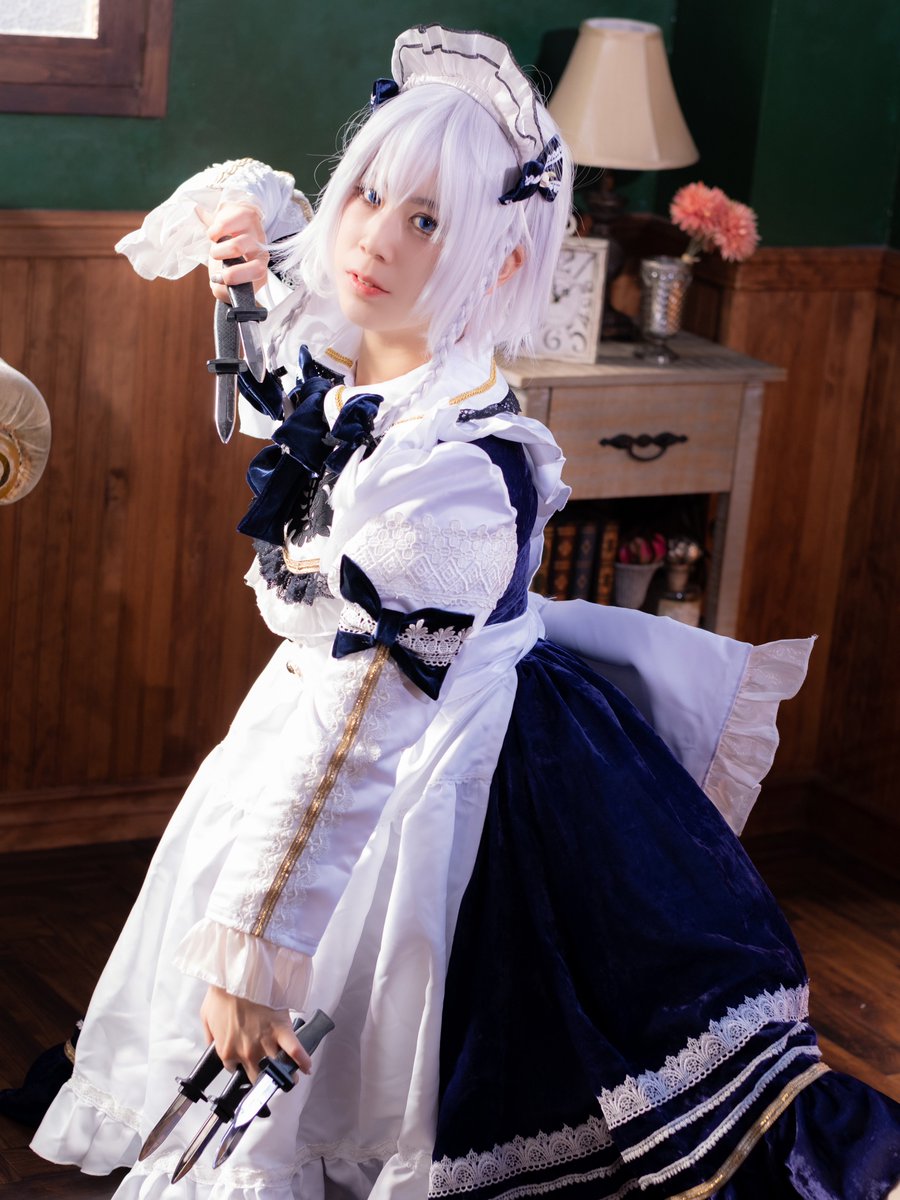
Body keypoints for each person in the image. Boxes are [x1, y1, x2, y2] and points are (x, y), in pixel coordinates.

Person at [31, 22, 900, 1200]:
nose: (375, 238)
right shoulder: (390, 357)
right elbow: (297, 384)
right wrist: (261, 243)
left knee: (425, 1036)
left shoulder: (447, 473)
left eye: (429, 223)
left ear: (497, 261)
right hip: (330, 720)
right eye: (368, 196)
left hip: (436, 767)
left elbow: (358, 739)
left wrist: (256, 956)